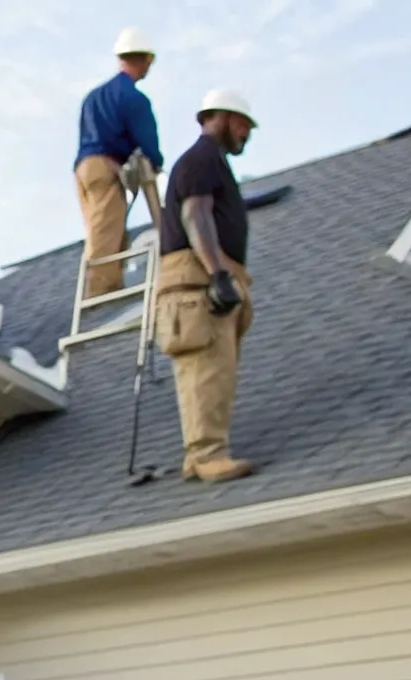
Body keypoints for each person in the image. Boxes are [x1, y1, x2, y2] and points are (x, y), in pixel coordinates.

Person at [153, 89, 260, 483]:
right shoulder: (201, 159)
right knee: (206, 367)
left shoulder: (210, 162)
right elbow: (195, 215)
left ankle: (204, 452)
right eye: (244, 125)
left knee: (217, 367)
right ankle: (206, 455)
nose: (246, 133)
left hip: (206, 274)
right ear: (224, 117)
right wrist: (217, 273)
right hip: (197, 278)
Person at [75, 27, 164, 299]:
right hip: (105, 167)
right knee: (105, 234)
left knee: (104, 230)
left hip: (83, 170)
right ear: (145, 60)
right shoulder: (134, 98)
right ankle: (99, 296)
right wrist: (156, 163)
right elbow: (147, 144)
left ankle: (109, 286)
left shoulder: (93, 96)